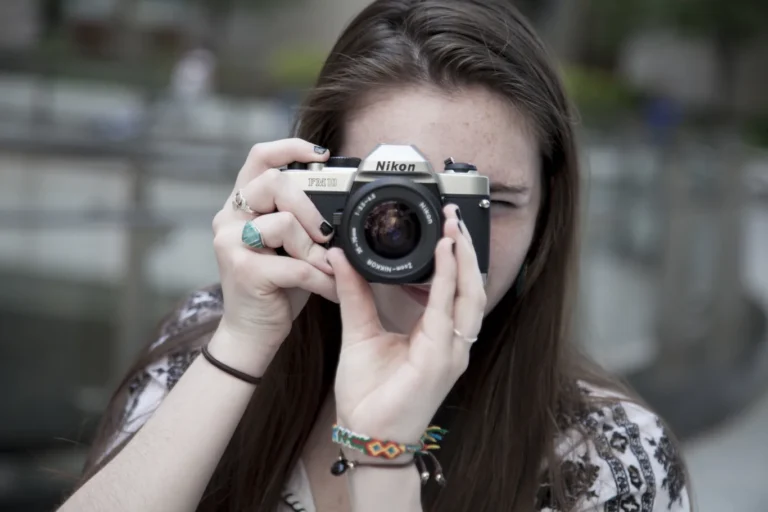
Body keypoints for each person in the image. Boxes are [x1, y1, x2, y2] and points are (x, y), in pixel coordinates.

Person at [58, 1, 691, 511]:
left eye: (486, 202)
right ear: (315, 179)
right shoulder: (207, 340)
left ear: (547, 216)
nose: (441, 240)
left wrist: (382, 458)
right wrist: (242, 345)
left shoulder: (611, 460)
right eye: (397, 200)